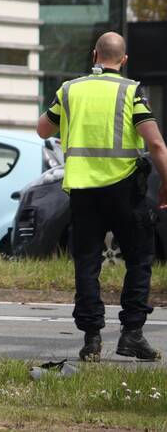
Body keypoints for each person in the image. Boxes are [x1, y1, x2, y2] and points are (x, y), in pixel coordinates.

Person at [37, 31, 167, 362]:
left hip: (83, 191)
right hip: (125, 189)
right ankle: (132, 334)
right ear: (123, 61)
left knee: (87, 261)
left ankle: (92, 339)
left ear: (95, 56)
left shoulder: (69, 90)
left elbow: (43, 129)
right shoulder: (131, 90)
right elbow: (155, 144)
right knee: (139, 258)